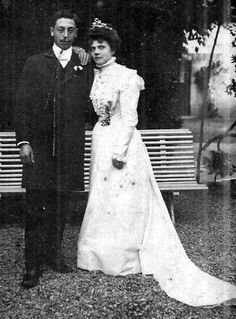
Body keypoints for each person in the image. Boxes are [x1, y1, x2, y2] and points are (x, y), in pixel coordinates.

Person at [77, 18, 236, 307]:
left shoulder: (127, 76)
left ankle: (123, 259)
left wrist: (121, 151)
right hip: (101, 139)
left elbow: (130, 118)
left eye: (102, 46)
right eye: (94, 47)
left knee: (123, 199)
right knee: (102, 198)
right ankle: (97, 255)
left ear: (113, 49)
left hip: (121, 144)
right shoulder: (96, 75)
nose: (96, 51)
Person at [15, 9, 91, 289]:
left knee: (60, 206)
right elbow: (22, 104)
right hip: (41, 148)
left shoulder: (83, 65)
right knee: (36, 208)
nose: (66, 35)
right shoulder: (35, 63)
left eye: (71, 30)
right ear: (52, 31)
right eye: (61, 29)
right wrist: (23, 142)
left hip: (69, 148)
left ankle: (53, 255)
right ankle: (32, 265)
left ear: (76, 33)